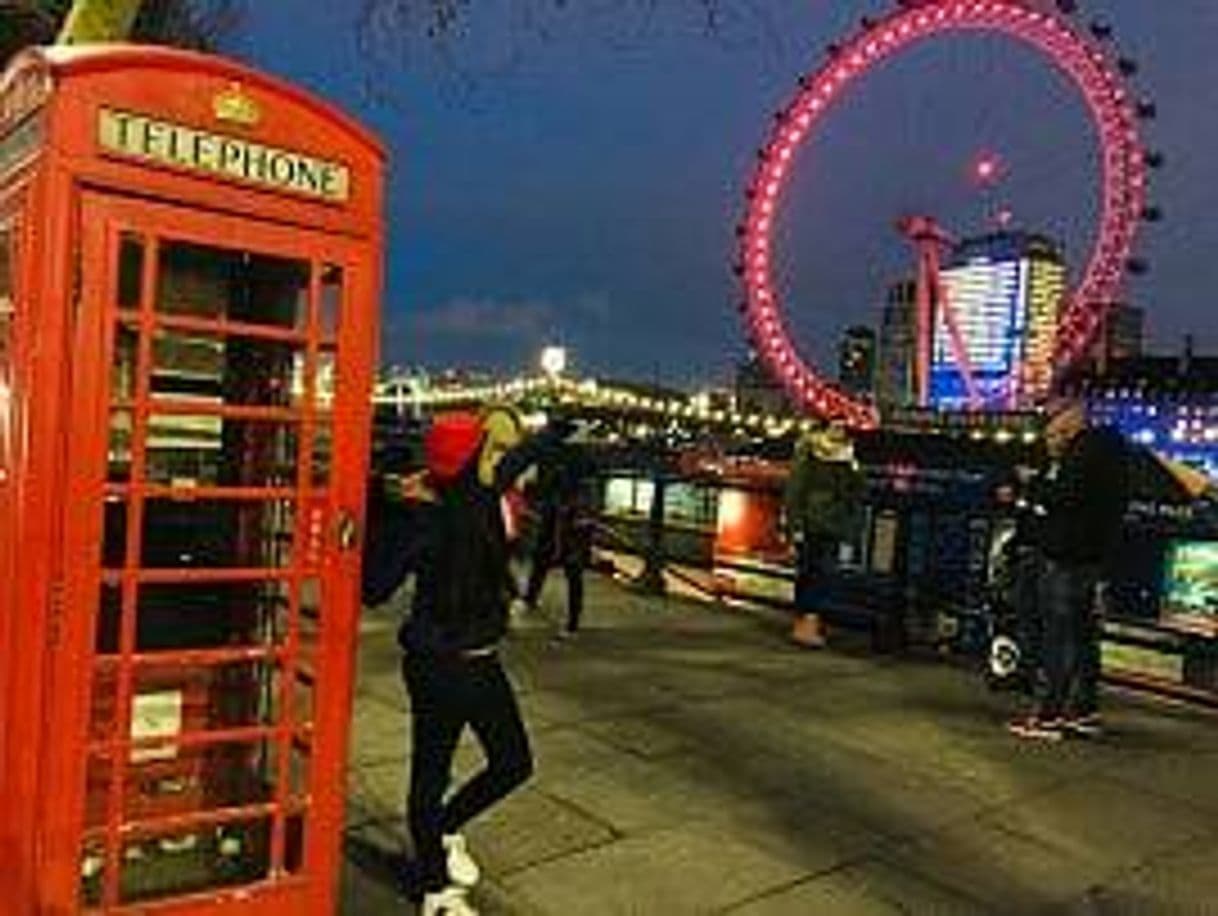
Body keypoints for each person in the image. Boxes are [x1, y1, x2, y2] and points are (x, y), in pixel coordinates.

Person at [397, 408, 572, 915]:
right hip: (458, 664)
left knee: (450, 774)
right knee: (500, 765)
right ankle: (436, 889)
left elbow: (375, 585)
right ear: (475, 456)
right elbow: (526, 455)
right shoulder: (472, 499)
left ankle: (442, 834)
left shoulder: (437, 507)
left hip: (447, 661)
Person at [1008, 392, 1129, 742]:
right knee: (1083, 636)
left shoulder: (1086, 450)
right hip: (1092, 556)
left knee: (1058, 639)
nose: (1050, 427)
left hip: (1068, 556)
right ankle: (1084, 713)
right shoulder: (1112, 451)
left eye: (1053, 420)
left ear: (1072, 417)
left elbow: (1063, 496)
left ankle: (1049, 716)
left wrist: (1033, 482)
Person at [784, 420, 866, 648]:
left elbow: (858, 491)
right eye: (835, 425)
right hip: (813, 520)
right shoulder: (809, 449)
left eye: (842, 426)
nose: (839, 430)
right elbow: (796, 488)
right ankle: (807, 625)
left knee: (818, 573)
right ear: (824, 427)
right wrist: (795, 526)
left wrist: (854, 466)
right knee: (814, 573)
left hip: (832, 522)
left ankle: (805, 623)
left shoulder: (848, 454)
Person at [520, 439, 596, 638]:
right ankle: (571, 623)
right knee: (570, 570)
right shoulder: (583, 462)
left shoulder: (557, 459)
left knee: (546, 559)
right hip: (570, 519)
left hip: (563, 518)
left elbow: (541, 485)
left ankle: (534, 599)